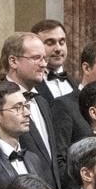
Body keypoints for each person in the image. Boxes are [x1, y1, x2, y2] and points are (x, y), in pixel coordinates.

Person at [0, 31, 66, 166]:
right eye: (36, 58)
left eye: (44, 58)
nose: (43, 64)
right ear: (13, 61)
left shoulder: (42, 101)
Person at [31, 18, 91, 147]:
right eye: (50, 43)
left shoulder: (75, 84)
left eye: (62, 42)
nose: (58, 48)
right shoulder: (30, 86)